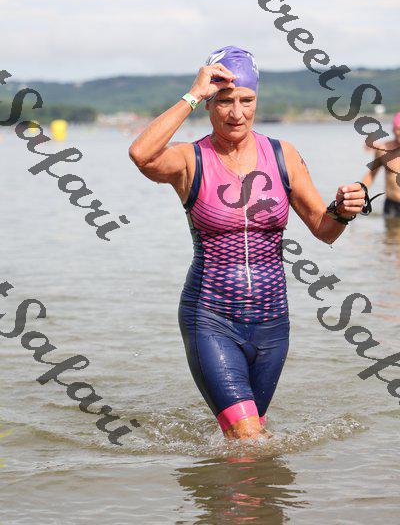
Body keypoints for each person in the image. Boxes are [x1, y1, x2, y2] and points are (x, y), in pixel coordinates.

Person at [129, 45, 366, 440]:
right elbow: (141, 154)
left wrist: (343, 210)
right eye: (224, 101)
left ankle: (230, 481)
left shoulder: (283, 155)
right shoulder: (190, 160)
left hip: (273, 324)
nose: (236, 113)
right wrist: (193, 94)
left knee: (248, 442)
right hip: (211, 317)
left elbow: (324, 229)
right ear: (209, 103)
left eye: (246, 100)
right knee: (248, 435)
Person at [362, 112, 400, 217]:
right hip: (392, 206)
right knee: (391, 228)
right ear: (393, 129)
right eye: (398, 129)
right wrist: (361, 192)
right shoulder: (383, 150)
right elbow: (371, 174)